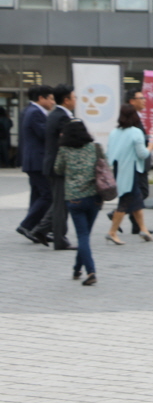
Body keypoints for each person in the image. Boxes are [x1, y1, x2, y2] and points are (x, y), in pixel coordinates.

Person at [53, 119, 102, 285]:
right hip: (94, 197)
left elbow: (58, 169)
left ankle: (91, 272)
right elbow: (105, 166)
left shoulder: (64, 150)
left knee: (82, 235)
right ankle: (77, 268)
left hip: (74, 198)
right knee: (85, 235)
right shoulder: (95, 147)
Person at [30, 83, 75, 250]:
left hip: (53, 164)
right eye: (74, 97)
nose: (76, 100)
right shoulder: (61, 117)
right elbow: (70, 140)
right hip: (58, 166)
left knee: (60, 202)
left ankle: (41, 230)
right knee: (60, 203)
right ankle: (59, 239)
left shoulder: (56, 114)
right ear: (66, 100)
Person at [105, 104, 153, 245]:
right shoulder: (136, 132)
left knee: (137, 201)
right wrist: (151, 146)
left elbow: (108, 154)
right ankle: (112, 232)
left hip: (118, 169)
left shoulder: (114, 132)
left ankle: (143, 230)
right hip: (131, 170)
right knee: (125, 201)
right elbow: (142, 154)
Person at [17, 85, 54, 243]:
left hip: (33, 160)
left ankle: (35, 228)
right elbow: (45, 134)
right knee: (48, 195)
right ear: (41, 98)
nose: (53, 102)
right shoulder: (35, 112)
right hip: (37, 161)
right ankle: (26, 225)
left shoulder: (29, 111)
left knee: (38, 194)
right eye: (50, 98)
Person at [123, 89, 153, 236]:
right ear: (132, 101)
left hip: (138, 161)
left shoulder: (137, 117)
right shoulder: (131, 119)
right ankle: (118, 212)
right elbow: (136, 140)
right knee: (141, 192)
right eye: (141, 98)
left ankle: (135, 224)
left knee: (139, 192)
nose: (144, 100)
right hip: (136, 161)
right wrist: (151, 141)